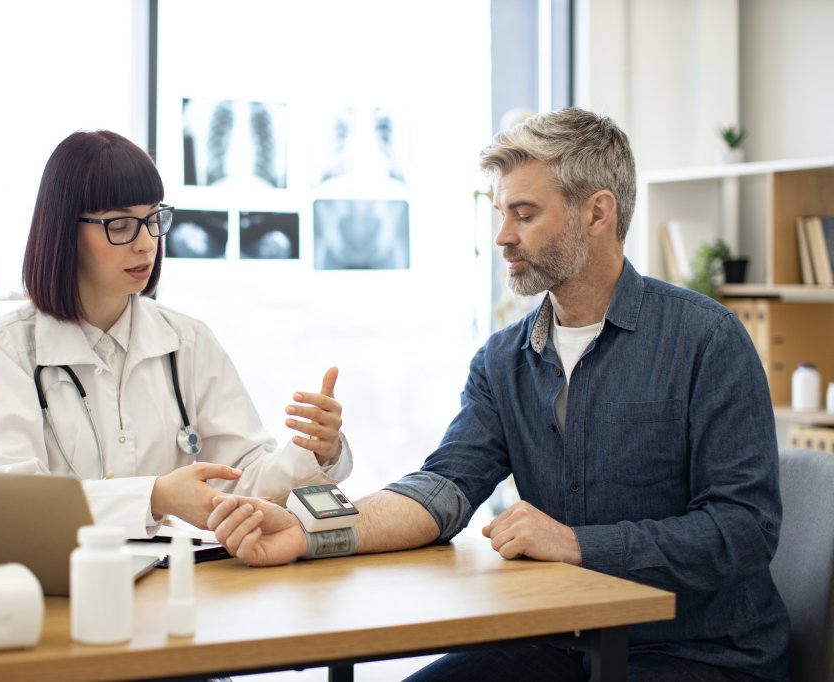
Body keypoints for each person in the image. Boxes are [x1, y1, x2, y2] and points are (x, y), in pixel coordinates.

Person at [207, 108, 790, 682]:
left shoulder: (707, 340)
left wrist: (576, 544)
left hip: (700, 653)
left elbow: (744, 528)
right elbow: (444, 488)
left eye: (525, 214)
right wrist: (310, 532)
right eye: (501, 214)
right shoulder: (503, 359)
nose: (503, 237)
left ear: (597, 212)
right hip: (564, 643)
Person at [0, 130, 351, 538]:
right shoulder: (8, 348)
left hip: (175, 579)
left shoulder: (188, 341)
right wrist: (155, 497)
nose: (146, 244)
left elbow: (241, 476)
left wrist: (316, 451)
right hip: (63, 585)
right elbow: (13, 502)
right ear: (65, 230)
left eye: (153, 219)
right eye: (121, 225)